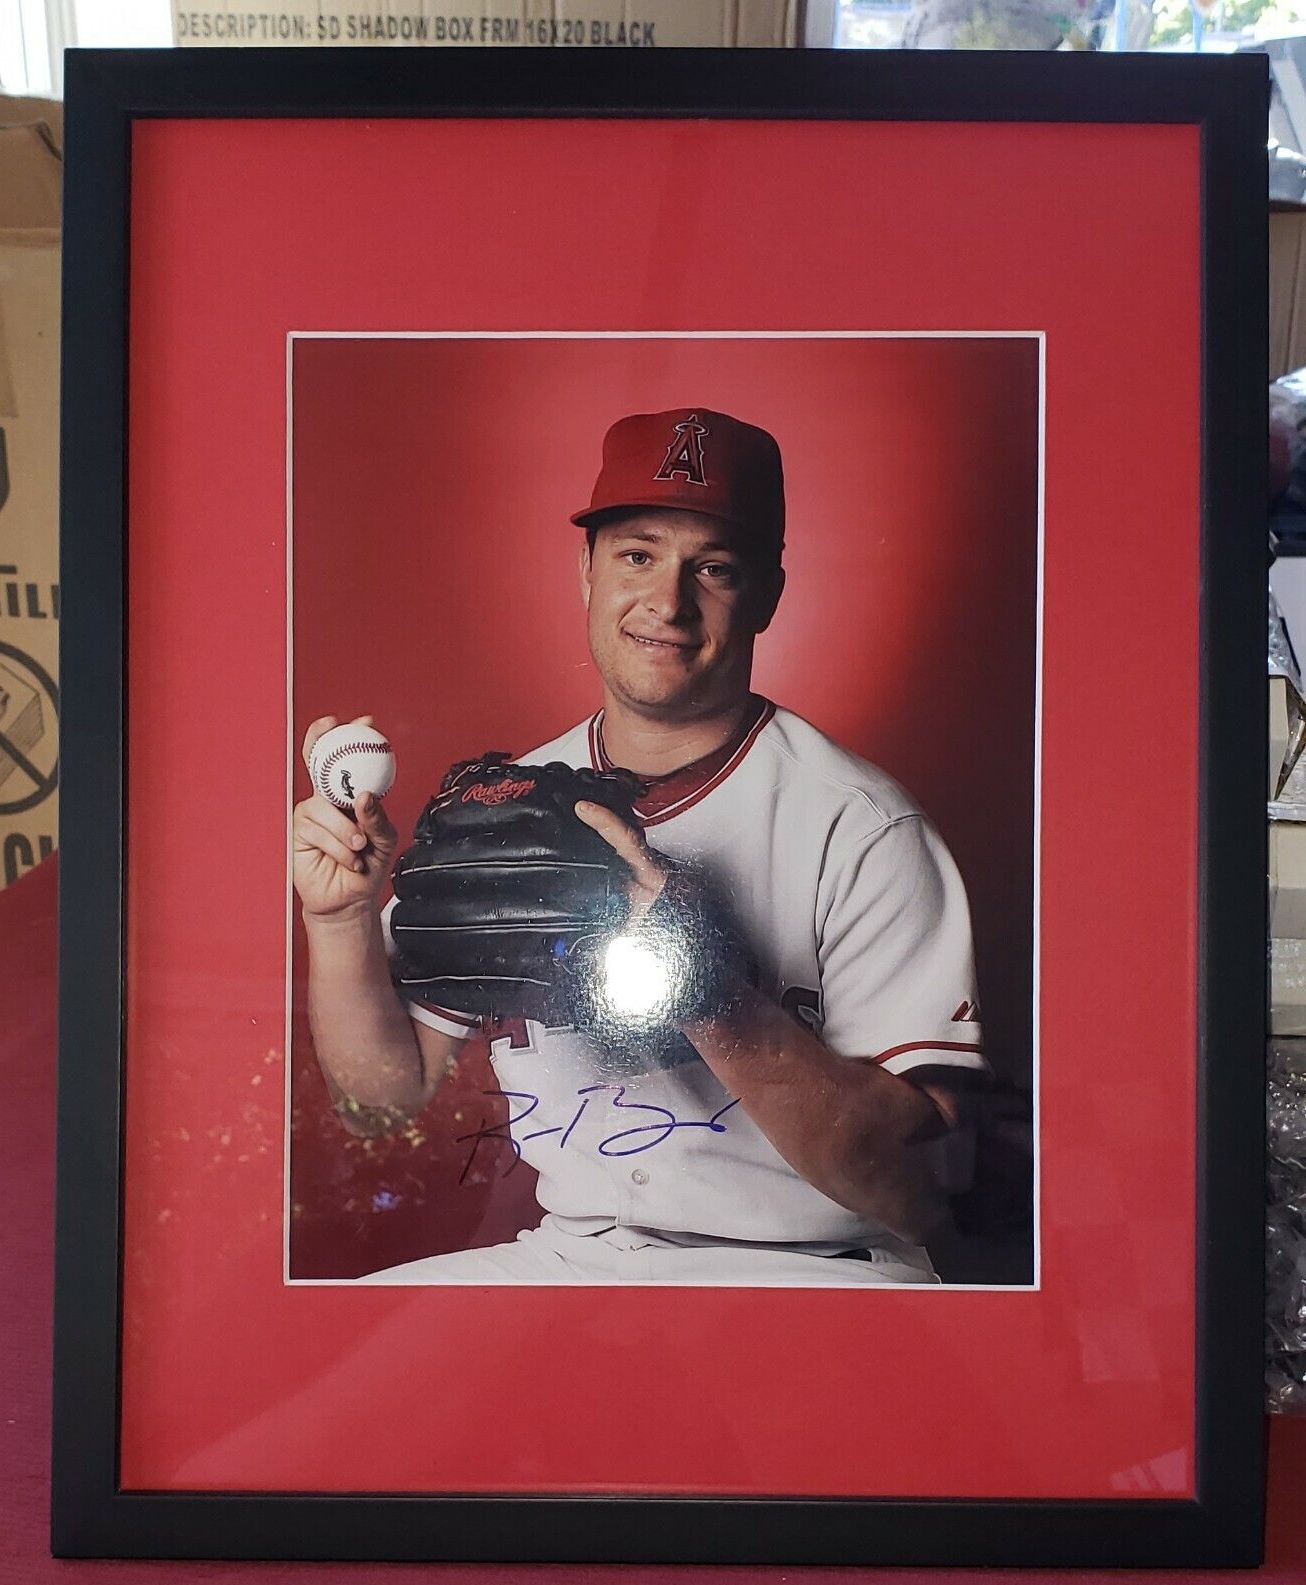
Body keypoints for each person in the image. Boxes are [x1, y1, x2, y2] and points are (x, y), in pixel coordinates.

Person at [292, 407, 988, 1286]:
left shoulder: (860, 826)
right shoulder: (504, 803)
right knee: (340, 1332)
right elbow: (380, 1101)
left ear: (768, 595)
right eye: (636, 555)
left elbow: (923, 1190)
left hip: (820, 1268)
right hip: (578, 1256)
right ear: (586, 572)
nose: (668, 601)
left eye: (715, 568)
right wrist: (341, 920)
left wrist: (701, 984)